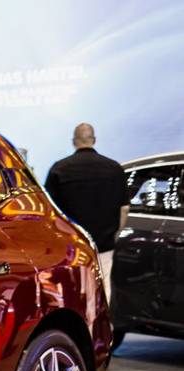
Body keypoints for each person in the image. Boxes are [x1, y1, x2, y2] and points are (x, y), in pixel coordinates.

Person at [44, 123, 130, 299]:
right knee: (104, 291)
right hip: (105, 245)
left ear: (74, 142)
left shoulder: (59, 169)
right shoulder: (115, 168)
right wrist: (116, 234)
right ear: (94, 140)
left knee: (73, 292)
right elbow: (124, 209)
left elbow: (49, 211)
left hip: (72, 248)